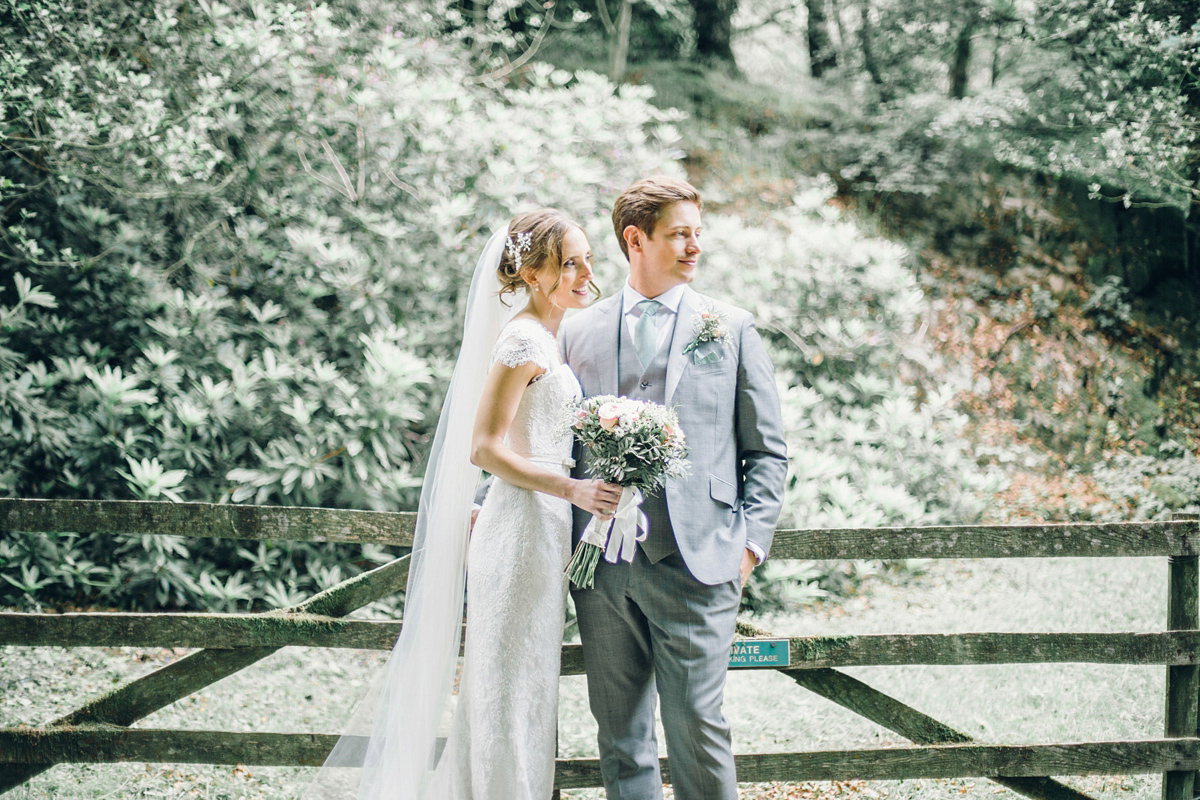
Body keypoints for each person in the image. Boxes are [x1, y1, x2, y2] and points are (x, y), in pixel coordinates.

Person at [310, 209, 621, 800]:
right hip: (525, 524)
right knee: (507, 685)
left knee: (527, 681)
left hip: (543, 526)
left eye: (586, 259)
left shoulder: (553, 337)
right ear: (532, 272)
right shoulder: (524, 338)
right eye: (569, 262)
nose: (585, 272)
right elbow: (483, 446)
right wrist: (572, 490)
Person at [560, 176, 788, 800]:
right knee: (619, 735)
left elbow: (767, 451)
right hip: (602, 566)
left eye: (697, 234)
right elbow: (546, 439)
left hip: (698, 563)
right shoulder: (577, 330)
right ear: (636, 240)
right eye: (680, 235)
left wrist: (747, 550)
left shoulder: (731, 327)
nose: (694, 248)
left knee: (698, 728)